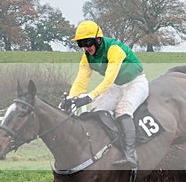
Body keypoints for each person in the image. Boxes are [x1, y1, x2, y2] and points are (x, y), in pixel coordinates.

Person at [60, 20, 148, 169]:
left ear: (98, 39)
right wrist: (71, 98)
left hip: (136, 83)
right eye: (81, 44)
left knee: (122, 112)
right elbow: (81, 81)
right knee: (96, 111)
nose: (86, 48)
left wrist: (90, 96)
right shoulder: (86, 57)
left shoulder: (114, 49)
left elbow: (109, 79)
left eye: (88, 43)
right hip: (116, 86)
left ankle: (130, 156)